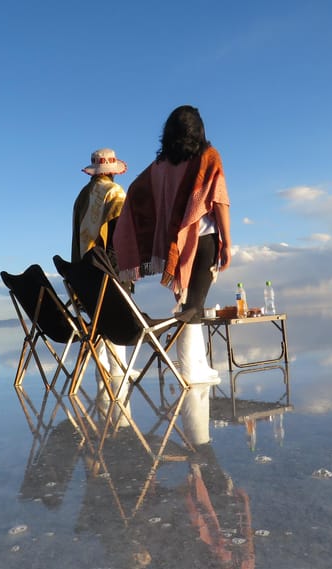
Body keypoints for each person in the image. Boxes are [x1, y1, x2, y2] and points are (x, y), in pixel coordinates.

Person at [112, 105, 232, 384]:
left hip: (173, 247)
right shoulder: (208, 157)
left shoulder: (160, 166)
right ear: (199, 129)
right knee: (193, 306)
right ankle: (191, 370)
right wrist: (227, 243)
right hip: (202, 241)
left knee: (188, 302)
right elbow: (220, 202)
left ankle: (199, 365)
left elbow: (135, 191)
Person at [73, 148, 129, 377]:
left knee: (99, 318)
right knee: (118, 315)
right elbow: (120, 235)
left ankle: (103, 369)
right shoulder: (114, 192)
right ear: (112, 172)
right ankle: (119, 370)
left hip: (83, 275)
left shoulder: (82, 196)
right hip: (107, 269)